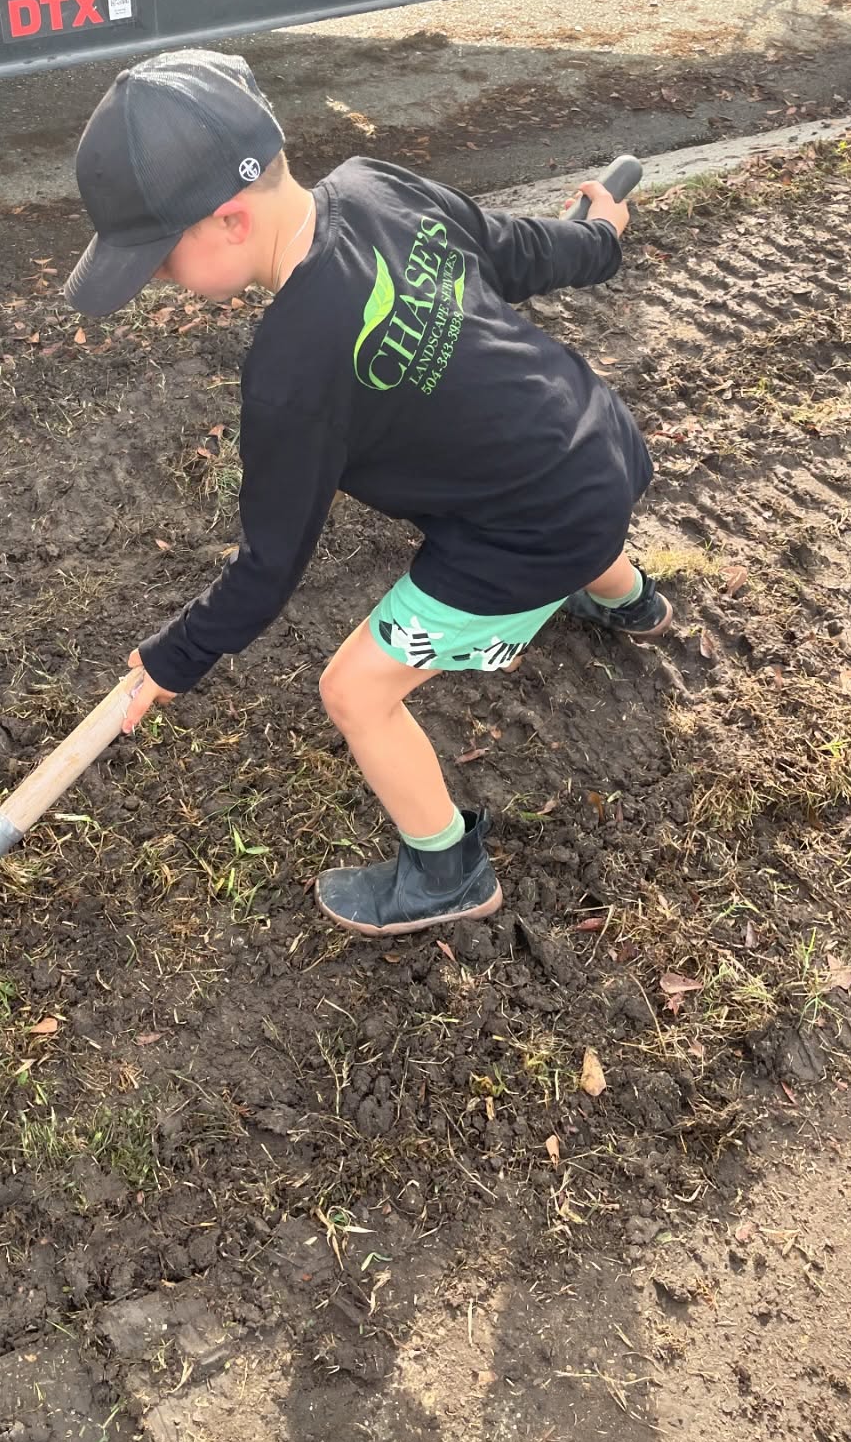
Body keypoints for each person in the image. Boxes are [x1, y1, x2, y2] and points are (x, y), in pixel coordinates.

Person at [63, 49, 670, 937]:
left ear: (228, 221)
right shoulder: (375, 186)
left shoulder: (292, 372)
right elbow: (517, 247)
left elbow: (269, 567)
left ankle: (447, 870)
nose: (156, 283)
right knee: (551, 506)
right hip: (593, 441)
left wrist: (173, 658)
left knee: (355, 691)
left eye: (157, 260)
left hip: (534, 528)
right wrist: (603, 239)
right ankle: (632, 601)